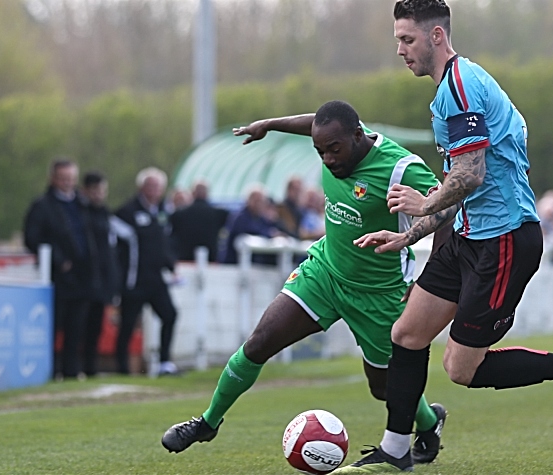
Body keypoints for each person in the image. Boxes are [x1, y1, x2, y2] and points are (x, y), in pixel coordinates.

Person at [336, 2, 553, 472]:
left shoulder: (461, 88)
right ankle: (396, 451)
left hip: (505, 241)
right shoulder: (453, 86)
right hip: (468, 238)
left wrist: (421, 205)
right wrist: (409, 236)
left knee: (461, 370)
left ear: (437, 37)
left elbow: (469, 175)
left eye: (407, 40)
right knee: (405, 334)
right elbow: (458, 190)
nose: (400, 51)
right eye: (397, 41)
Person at [161, 100, 448, 466]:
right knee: (259, 343)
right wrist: (270, 123)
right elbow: (316, 122)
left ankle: (428, 421)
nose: (327, 159)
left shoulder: (401, 168)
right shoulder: (331, 137)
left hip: (379, 293)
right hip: (324, 273)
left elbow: (449, 207)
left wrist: (429, 277)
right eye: (319, 151)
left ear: (357, 135)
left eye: (334, 150)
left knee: (384, 389)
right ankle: (207, 422)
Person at [23, 159, 94, 380]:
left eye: (71, 178)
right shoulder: (42, 206)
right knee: (54, 326)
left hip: (82, 277)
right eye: (63, 178)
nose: (67, 183)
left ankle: (72, 371)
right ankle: (51, 371)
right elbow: (32, 238)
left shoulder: (83, 205)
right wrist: (58, 260)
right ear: (53, 179)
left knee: (77, 328)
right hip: (57, 278)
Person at [114, 167, 180, 376]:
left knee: (169, 314)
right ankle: (122, 367)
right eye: (150, 186)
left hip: (155, 279)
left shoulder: (162, 212)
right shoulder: (128, 211)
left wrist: (170, 265)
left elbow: (163, 244)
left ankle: (164, 363)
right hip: (134, 280)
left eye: (157, 186)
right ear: (141, 187)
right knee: (128, 324)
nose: (153, 190)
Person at [79, 171, 120, 377]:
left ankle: (90, 368)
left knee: (95, 327)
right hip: (83, 280)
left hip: (101, 281)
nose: (98, 194)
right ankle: (76, 367)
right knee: (80, 327)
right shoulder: (81, 214)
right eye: (94, 190)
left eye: (101, 190)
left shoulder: (105, 214)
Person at [219, 185, 285, 265]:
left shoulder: (261, 218)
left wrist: (275, 222)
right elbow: (250, 232)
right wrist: (269, 234)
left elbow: (272, 229)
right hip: (234, 264)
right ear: (248, 201)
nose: (259, 204)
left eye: (262, 201)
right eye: (257, 201)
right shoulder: (240, 217)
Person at [170, 181, 229, 262]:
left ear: (192, 193)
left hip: (185, 261)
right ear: (207, 193)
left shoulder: (178, 215)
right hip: (211, 260)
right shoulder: (219, 214)